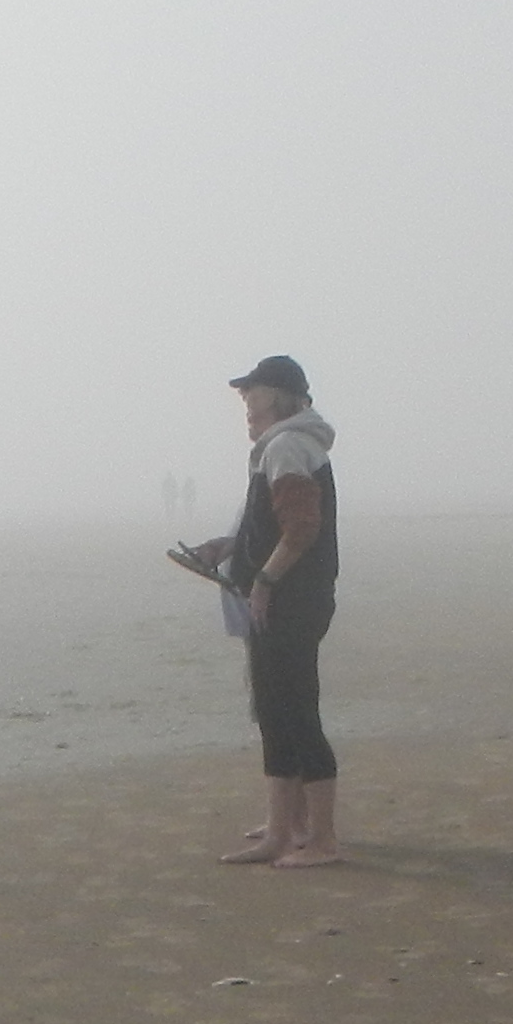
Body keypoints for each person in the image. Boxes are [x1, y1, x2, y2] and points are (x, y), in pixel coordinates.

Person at [163, 353, 342, 866]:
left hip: (290, 600)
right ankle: (285, 827)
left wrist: (264, 578)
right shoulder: (284, 446)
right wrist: (230, 548)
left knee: (292, 712)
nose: (245, 401)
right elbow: (271, 525)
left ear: (280, 397)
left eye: (253, 391)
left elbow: (302, 527)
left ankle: (320, 840)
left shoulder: (286, 445)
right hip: (286, 598)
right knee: (275, 710)